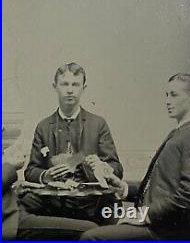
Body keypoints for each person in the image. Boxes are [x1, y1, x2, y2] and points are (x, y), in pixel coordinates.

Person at [80, 73, 190, 240]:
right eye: (166, 95)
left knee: (91, 238)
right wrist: (123, 187)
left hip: (167, 232)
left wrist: (145, 215)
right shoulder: (181, 133)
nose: (167, 100)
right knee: (101, 224)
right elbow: (159, 186)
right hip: (160, 226)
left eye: (174, 95)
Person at [22, 62, 123, 224]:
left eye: (75, 84)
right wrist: (46, 175)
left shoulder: (98, 124)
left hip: (91, 203)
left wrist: (103, 168)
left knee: (108, 210)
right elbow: (31, 171)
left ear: (84, 87)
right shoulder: (43, 127)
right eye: (64, 84)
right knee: (22, 203)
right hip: (53, 204)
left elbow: (117, 169)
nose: (70, 90)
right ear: (55, 87)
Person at [2, 150, 97, 240]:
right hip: (9, 219)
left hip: (12, 203)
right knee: (92, 231)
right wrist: (10, 166)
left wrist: (16, 187)